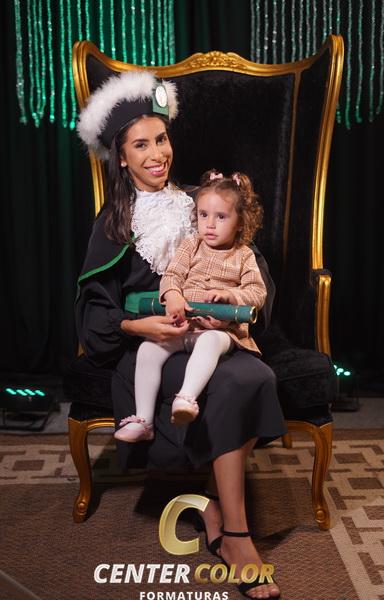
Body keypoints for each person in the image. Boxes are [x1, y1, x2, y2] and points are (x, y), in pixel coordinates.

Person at [76, 69, 284, 599]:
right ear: (121, 158)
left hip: (212, 334)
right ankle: (236, 537)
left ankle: (215, 505)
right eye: (141, 145)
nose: (157, 154)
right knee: (229, 383)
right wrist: (136, 324)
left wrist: (228, 311)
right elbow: (95, 311)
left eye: (162, 139)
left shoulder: (202, 201)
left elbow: (252, 271)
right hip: (153, 346)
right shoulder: (113, 223)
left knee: (255, 376)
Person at [115, 168, 267, 442]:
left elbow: (257, 292)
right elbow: (172, 275)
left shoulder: (243, 255)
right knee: (148, 349)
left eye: (221, 217)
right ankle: (143, 420)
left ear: (240, 222)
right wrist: (173, 295)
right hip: (182, 326)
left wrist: (231, 296)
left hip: (220, 330)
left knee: (210, 341)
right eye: (203, 215)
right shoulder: (190, 245)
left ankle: (186, 398)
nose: (210, 224)